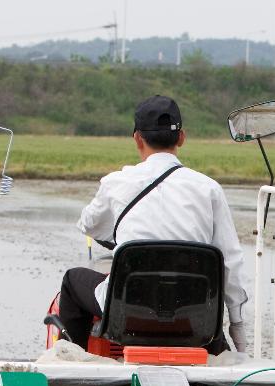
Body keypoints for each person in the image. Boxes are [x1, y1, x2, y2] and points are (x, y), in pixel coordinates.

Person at [56, 95, 250, 351]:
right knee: (212, 331)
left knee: (72, 281)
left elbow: (88, 224)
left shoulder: (116, 182)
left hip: (128, 314)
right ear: (181, 138)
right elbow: (230, 261)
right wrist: (237, 327)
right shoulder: (209, 188)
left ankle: (74, 362)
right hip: (194, 317)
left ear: (137, 138)